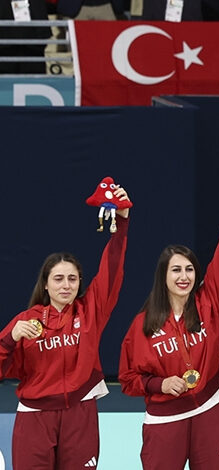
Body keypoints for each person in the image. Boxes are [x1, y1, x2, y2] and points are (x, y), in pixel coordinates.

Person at [118, 175, 219, 469]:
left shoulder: (209, 302)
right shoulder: (143, 325)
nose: (184, 276)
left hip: (210, 408)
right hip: (165, 420)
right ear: (163, 277)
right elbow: (128, 380)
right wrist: (159, 384)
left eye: (189, 269)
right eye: (176, 270)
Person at [0, 185, 130, 469]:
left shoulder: (90, 311)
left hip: (80, 415)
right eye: (58, 279)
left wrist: (121, 222)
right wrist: (11, 338)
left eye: (72, 279)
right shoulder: (26, 320)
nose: (66, 285)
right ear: (45, 283)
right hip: (35, 418)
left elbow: (112, 268)